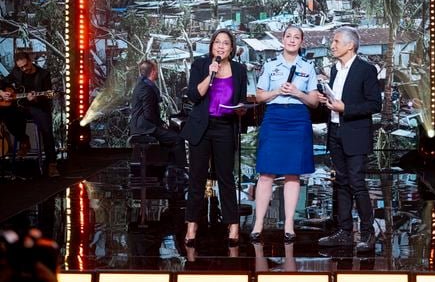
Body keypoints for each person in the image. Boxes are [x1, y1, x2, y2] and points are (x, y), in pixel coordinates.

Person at [249, 25, 319, 244]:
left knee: (293, 173)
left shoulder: (308, 67)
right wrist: (278, 91)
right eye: (288, 36)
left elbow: (315, 102)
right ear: (282, 40)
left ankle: (289, 223)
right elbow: (260, 97)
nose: (292, 40)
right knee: (266, 172)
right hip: (274, 117)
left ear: (301, 41)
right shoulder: (270, 66)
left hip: (298, 119)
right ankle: (258, 223)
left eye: (296, 37)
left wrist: (298, 92)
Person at [317, 26, 381, 253]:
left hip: (356, 133)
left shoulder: (366, 69)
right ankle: (344, 232)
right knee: (341, 183)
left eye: (336, 41)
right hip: (335, 132)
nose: (332, 45)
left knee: (357, 183)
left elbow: (375, 104)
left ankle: (367, 232)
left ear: (349, 45)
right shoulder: (335, 70)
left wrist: (346, 108)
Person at [180, 29, 247, 248]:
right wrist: (210, 75)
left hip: (225, 127)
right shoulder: (200, 66)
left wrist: (240, 109)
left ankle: (233, 224)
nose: (221, 46)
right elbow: (194, 95)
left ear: (231, 48)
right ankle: (192, 225)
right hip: (202, 126)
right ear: (212, 46)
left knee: (226, 178)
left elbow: (241, 99)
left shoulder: (239, 69)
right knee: (197, 178)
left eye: (225, 43)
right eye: (217, 42)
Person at [129, 60, 186, 173]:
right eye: (156, 70)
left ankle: (167, 169)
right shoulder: (146, 89)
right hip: (144, 127)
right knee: (178, 138)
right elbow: (149, 114)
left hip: (143, 125)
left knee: (170, 135)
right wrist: (161, 124)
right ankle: (181, 172)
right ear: (153, 72)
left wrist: (162, 124)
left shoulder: (142, 85)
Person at [7, 52, 58, 177]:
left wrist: (35, 99)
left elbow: (47, 96)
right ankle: (24, 140)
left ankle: (52, 165)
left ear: (30, 61)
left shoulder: (44, 74)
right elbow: (4, 81)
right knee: (7, 115)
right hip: (21, 106)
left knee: (47, 131)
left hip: (39, 106)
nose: (24, 69)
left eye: (25, 65)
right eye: (21, 67)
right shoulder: (17, 72)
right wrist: (3, 92)